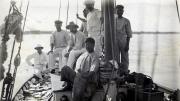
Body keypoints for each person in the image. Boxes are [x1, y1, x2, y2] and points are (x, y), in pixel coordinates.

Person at [115, 5, 132, 72]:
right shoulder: (113, 20)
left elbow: (129, 34)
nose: (119, 11)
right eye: (118, 10)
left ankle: (125, 72)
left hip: (123, 41)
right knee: (116, 58)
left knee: (125, 58)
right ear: (115, 11)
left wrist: (127, 44)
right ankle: (117, 72)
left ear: (123, 11)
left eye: (121, 10)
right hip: (115, 41)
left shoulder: (126, 21)